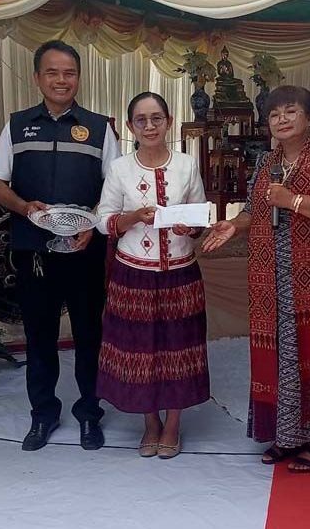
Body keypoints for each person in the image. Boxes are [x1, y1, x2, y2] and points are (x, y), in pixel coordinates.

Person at [203, 85, 310, 473]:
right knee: (280, 355)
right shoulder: (267, 161)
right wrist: (235, 225)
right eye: (274, 115)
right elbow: (254, 210)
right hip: (272, 278)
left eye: (291, 112)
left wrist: (292, 200)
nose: (281, 120)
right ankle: (287, 435)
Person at [0, 40, 119, 452]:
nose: (62, 80)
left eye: (69, 73)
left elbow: (114, 189)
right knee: (39, 335)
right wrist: (24, 207)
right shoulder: (17, 125)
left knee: (89, 334)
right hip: (34, 250)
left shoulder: (100, 128)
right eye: (52, 72)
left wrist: (93, 223)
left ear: (79, 78)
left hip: (84, 249)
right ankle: (43, 414)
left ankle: (89, 413)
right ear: (37, 78)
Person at [95, 92, 210, 460]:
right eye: (141, 120)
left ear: (168, 122)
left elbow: (200, 218)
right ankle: (150, 422)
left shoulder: (187, 165)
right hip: (133, 276)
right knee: (139, 351)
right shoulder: (120, 169)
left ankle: (173, 424)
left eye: (156, 118)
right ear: (131, 127)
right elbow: (103, 221)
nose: (149, 126)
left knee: (179, 350)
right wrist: (132, 217)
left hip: (180, 273)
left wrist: (189, 227)